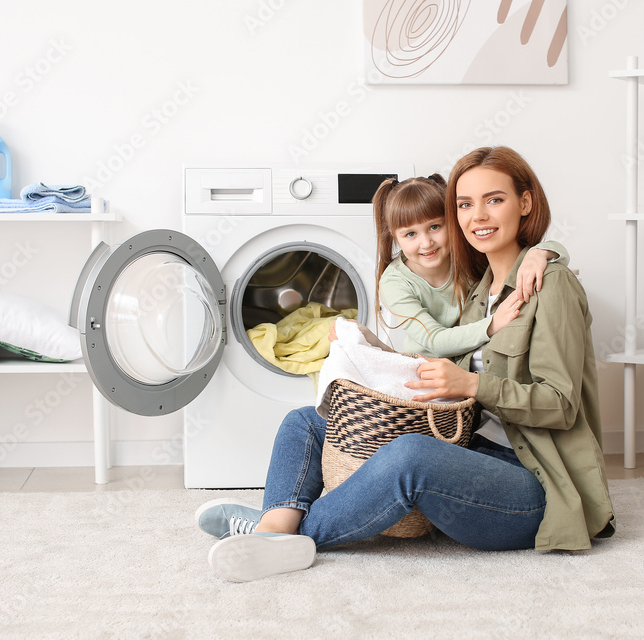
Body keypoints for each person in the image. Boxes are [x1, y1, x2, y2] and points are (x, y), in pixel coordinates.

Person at [195, 147, 614, 583]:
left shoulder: (552, 286)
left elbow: (561, 405)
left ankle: (284, 537)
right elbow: (434, 348)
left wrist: (472, 384)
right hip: (467, 446)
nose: (478, 216)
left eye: (495, 200)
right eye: (464, 205)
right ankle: (273, 528)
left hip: (533, 485)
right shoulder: (480, 289)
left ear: (524, 203)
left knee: (411, 456)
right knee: (307, 420)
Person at [371, 174, 568, 358]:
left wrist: (539, 253)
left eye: (434, 227)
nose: (426, 243)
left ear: (452, 222)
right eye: (411, 234)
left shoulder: (466, 251)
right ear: (395, 237)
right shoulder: (395, 282)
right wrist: (492, 324)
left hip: (474, 358)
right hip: (428, 366)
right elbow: (435, 340)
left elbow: (562, 254)